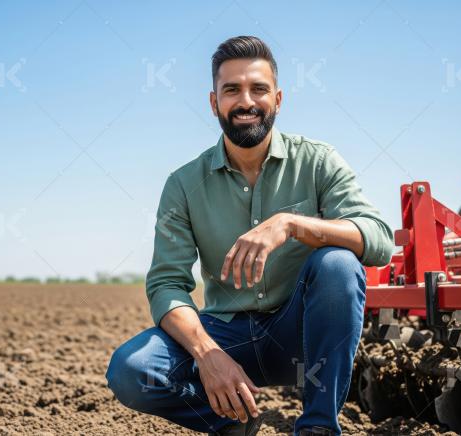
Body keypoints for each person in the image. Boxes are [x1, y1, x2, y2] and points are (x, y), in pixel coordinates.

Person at [106, 35, 394, 436]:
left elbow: (379, 239)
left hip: (301, 339)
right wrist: (208, 354)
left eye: (258, 89)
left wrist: (291, 224)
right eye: (231, 90)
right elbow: (166, 284)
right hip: (226, 335)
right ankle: (231, 422)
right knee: (131, 370)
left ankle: (317, 428)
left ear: (277, 99)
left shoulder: (318, 161)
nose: (246, 102)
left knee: (338, 264)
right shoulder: (184, 184)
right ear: (213, 103)